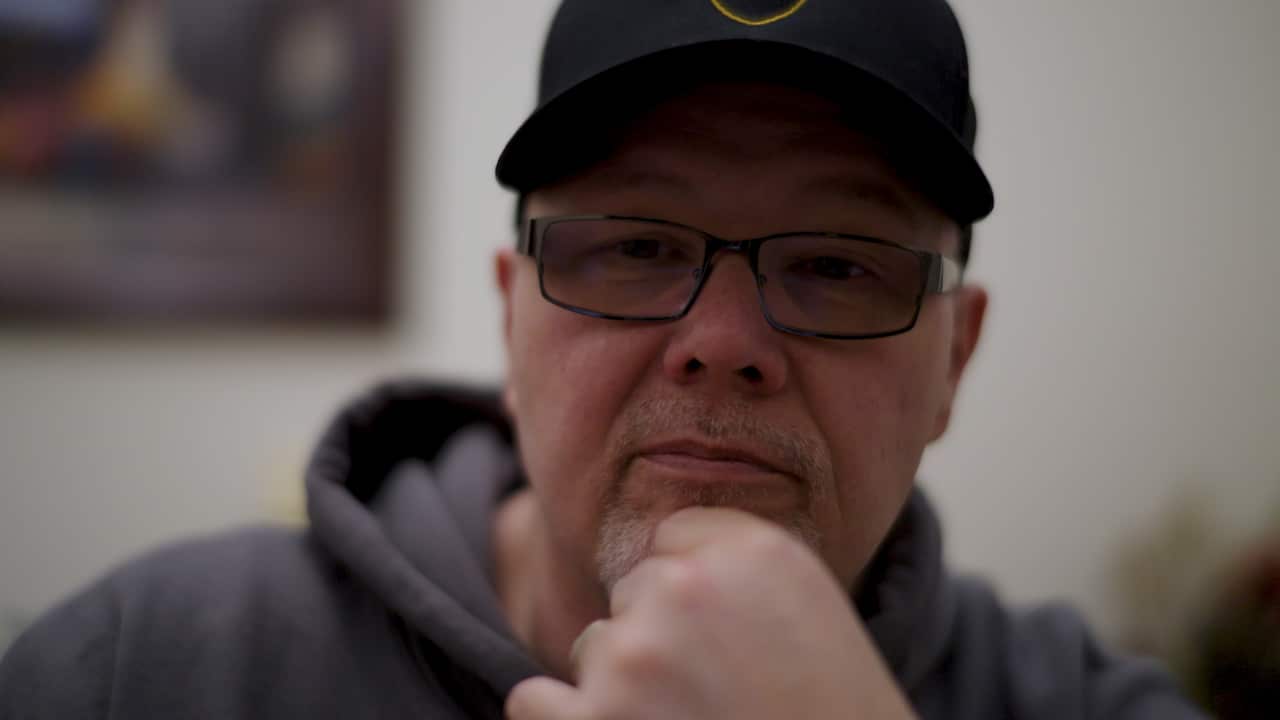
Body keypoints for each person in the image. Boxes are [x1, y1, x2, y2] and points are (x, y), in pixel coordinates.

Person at [0, 1, 1205, 718]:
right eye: (633, 244)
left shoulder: (1079, 701)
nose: (725, 346)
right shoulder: (140, 668)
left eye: (837, 264)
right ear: (508, 315)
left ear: (956, 359)